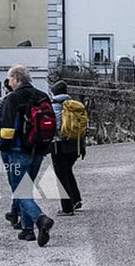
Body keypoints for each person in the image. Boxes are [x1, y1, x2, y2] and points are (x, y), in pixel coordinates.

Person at [0, 65, 55, 246]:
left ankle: (40, 219)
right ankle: (28, 230)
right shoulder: (42, 96)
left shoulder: (13, 98)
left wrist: (3, 148)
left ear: (16, 78)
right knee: (27, 189)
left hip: (18, 152)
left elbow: (6, 130)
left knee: (20, 190)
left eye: (10, 79)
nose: (8, 82)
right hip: (38, 150)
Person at [0, 78, 21, 229]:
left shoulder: (4, 102)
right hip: (28, 144)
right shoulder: (29, 99)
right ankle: (15, 211)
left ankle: (23, 213)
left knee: (15, 182)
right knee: (22, 182)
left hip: (9, 146)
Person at [50, 80, 85, 215]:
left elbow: (53, 126)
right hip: (76, 144)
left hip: (59, 144)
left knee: (61, 176)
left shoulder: (53, 107)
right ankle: (76, 199)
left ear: (54, 93)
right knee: (68, 171)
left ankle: (67, 208)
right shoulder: (75, 105)